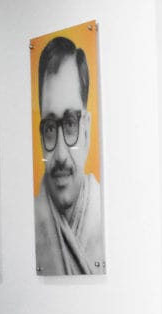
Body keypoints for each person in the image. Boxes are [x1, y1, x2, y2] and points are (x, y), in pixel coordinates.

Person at [34, 35, 105, 275]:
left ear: (86, 129)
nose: (61, 155)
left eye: (71, 124)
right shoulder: (30, 224)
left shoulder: (108, 218)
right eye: (50, 129)